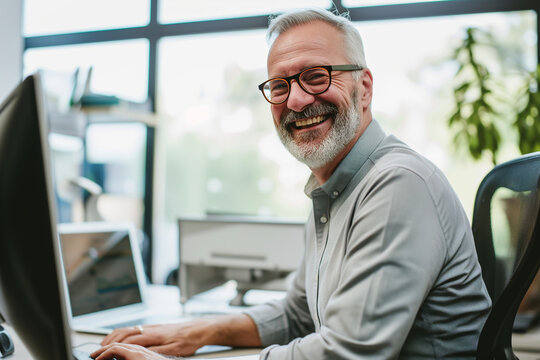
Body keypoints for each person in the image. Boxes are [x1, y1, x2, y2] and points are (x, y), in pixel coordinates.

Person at [92, 7, 491, 360]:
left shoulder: (397, 184)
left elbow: (348, 353)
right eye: (280, 86)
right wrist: (197, 332)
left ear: (364, 88)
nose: (296, 101)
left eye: (316, 77)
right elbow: (298, 313)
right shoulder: (331, 190)